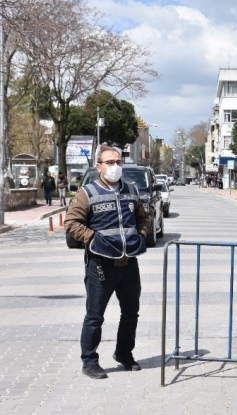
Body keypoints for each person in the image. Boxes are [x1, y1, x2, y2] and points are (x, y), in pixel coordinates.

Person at [64, 146, 149, 379]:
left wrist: (140, 236)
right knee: (95, 316)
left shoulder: (131, 190)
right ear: (99, 167)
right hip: (100, 266)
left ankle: (124, 354)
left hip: (129, 264)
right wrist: (92, 238)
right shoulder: (86, 193)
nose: (115, 167)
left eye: (118, 162)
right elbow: (71, 223)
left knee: (131, 312)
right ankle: (89, 361)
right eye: (109, 163)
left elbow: (142, 218)